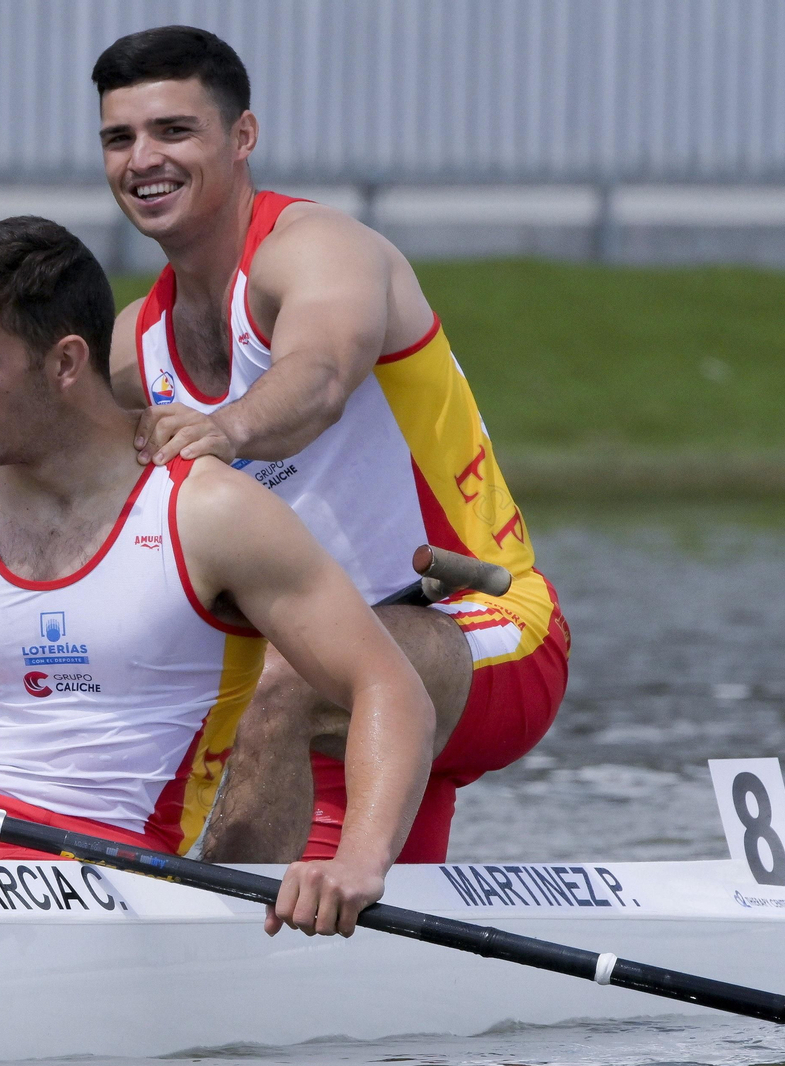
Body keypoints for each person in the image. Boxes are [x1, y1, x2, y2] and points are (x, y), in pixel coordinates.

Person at [0, 216, 438, 937]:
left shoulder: (211, 514)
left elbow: (386, 686)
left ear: (66, 362)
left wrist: (359, 862)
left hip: (114, 878)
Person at [93, 26, 570, 864]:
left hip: (477, 624)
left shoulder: (320, 251)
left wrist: (226, 428)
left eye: (174, 131)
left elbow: (319, 375)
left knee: (287, 686)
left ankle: (211, 962)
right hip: (322, 674)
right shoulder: (136, 348)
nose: (143, 160)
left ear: (242, 138)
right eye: (119, 138)